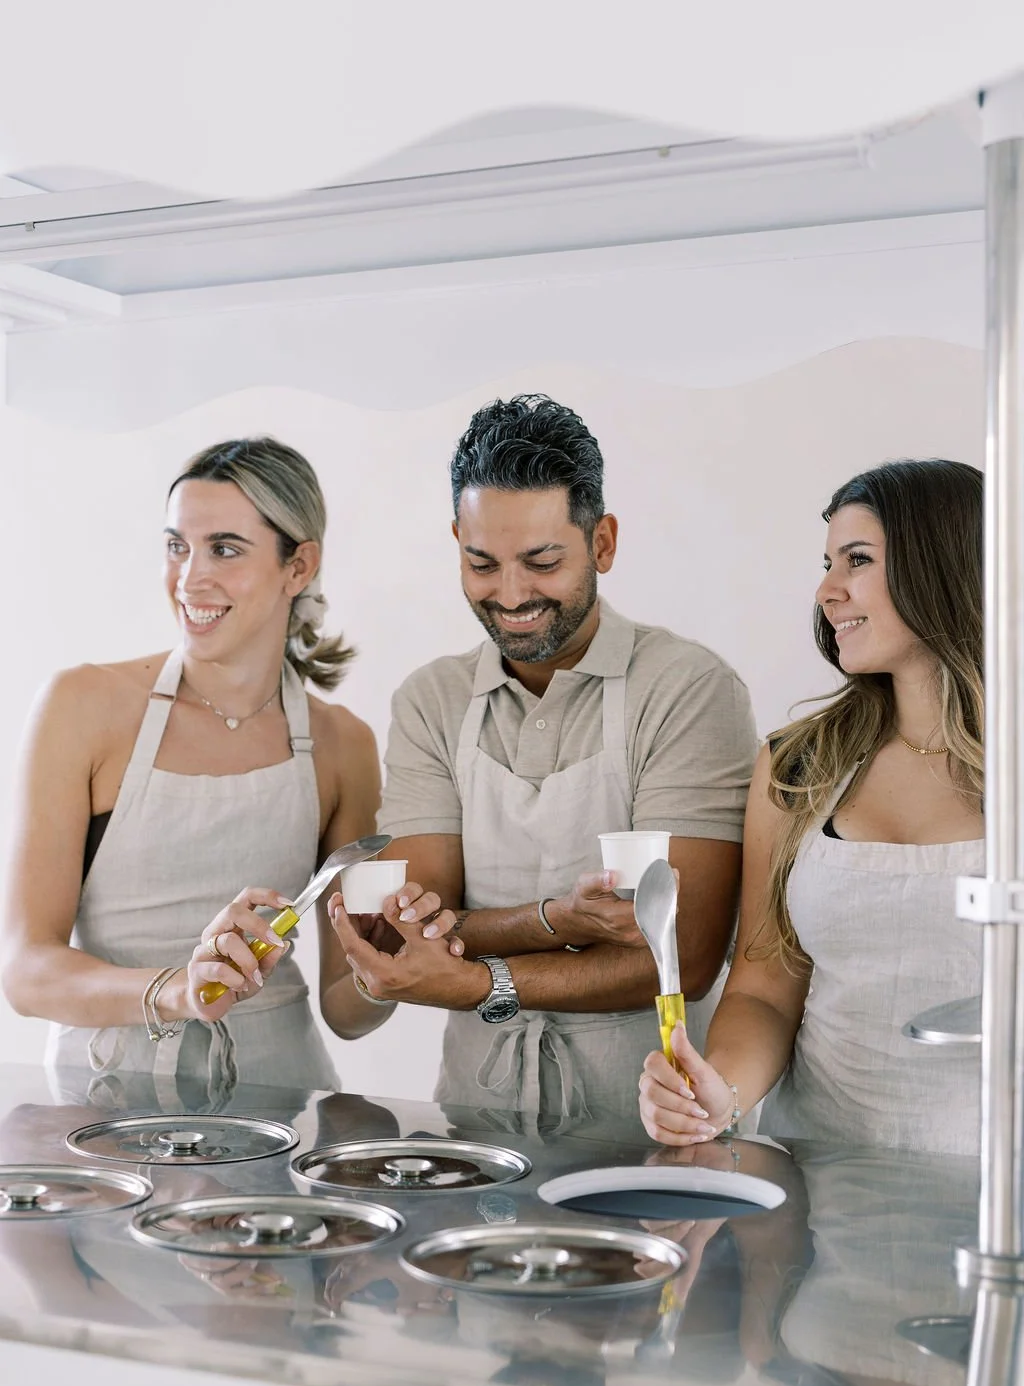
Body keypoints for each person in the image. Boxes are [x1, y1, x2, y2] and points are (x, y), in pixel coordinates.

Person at [337, 394, 757, 1122]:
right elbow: (422, 926)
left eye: (541, 561)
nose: (510, 594)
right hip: (476, 1124)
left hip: (653, 1127)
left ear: (603, 543)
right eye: (481, 562)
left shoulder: (688, 689)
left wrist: (480, 981)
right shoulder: (430, 700)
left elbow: (681, 951)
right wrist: (557, 920)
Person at [2, 436, 450, 1107]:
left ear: (298, 566)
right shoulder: (81, 708)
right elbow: (26, 970)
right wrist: (177, 990)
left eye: (225, 548)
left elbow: (345, 1012)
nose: (189, 578)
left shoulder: (341, 744)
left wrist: (383, 970)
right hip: (103, 1109)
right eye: (176, 545)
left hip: (281, 1103)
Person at [638, 458, 983, 1155]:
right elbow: (765, 983)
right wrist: (718, 1093)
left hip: (1001, 1193)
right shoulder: (798, 768)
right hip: (823, 1188)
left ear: (941, 564)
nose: (827, 590)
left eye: (857, 559)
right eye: (827, 562)